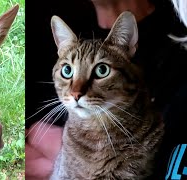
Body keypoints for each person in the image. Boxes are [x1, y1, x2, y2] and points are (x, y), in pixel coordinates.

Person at [25, 0, 187, 179]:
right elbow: (33, 133)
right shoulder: (62, 36)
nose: (76, 91)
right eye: (67, 71)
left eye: (101, 71)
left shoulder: (178, 37)